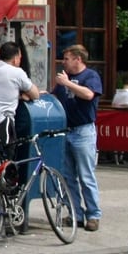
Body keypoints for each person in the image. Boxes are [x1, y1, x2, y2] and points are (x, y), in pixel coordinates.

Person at [53, 44, 103, 232]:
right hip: (66, 130)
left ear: (78, 59)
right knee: (68, 176)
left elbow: (89, 94)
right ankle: (76, 214)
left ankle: (93, 215)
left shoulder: (90, 76)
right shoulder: (64, 79)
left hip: (83, 131)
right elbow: (55, 96)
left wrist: (68, 84)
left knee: (85, 175)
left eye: (67, 59)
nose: (63, 62)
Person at [0, 42, 40, 153]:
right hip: (1, 123)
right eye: (20, 58)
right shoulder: (17, 73)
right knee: (5, 158)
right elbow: (35, 94)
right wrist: (23, 95)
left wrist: (18, 95)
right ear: (15, 59)